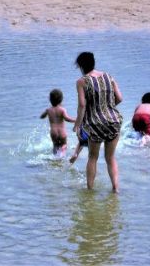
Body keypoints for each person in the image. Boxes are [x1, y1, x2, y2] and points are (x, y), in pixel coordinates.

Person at [72, 52, 123, 193]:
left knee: (93, 157)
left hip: (95, 124)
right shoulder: (108, 76)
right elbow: (119, 98)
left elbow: (82, 105)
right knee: (110, 157)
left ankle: (89, 191)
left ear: (81, 66)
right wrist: (107, 109)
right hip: (114, 121)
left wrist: (77, 124)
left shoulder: (82, 81)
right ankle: (115, 188)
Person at [39, 88, 77, 156]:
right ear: (61, 100)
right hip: (62, 132)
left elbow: (42, 116)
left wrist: (43, 115)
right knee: (64, 145)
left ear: (50, 100)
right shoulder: (62, 109)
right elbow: (67, 119)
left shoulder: (48, 110)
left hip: (53, 132)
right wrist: (75, 120)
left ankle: (55, 158)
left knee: (55, 146)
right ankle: (62, 152)